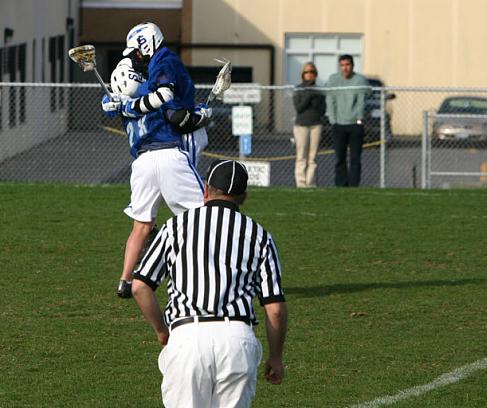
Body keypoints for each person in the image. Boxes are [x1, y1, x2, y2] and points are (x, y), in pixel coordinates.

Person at [131, 159, 288, 408]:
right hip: (237, 339)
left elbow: (139, 286)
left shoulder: (175, 227)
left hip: (187, 337)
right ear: (243, 197)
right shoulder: (259, 235)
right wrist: (276, 357)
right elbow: (275, 308)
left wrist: (162, 331)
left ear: (206, 190)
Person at [103, 58, 205, 299]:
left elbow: (109, 104)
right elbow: (179, 114)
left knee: (141, 227)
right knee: (205, 216)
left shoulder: (121, 105)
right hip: (168, 154)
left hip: (141, 162)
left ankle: (125, 280)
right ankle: (201, 275)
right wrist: (202, 111)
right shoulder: (154, 98)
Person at [325, 54, 369, 187]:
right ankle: (341, 185)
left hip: (355, 125)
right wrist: (333, 120)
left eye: (347, 65)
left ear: (352, 66)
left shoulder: (359, 80)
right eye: (342, 65)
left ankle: (354, 186)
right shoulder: (333, 79)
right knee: (340, 158)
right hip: (339, 125)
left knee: (355, 158)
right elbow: (330, 100)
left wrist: (359, 120)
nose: (345, 68)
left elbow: (361, 102)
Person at [292, 62, 326, 188]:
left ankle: (310, 183)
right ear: (303, 74)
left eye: (312, 72)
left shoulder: (319, 91)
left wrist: (315, 98)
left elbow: (322, 110)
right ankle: (301, 183)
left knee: (313, 157)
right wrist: (309, 96)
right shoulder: (299, 89)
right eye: (307, 72)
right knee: (301, 156)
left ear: (315, 74)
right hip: (301, 125)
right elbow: (299, 108)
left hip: (316, 125)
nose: (309, 74)